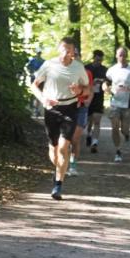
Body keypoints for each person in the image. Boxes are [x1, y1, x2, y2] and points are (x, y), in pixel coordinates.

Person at [30, 37, 89, 200]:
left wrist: (79, 90)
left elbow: (87, 90)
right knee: (54, 148)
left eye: (69, 49)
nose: (66, 52)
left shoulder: (78, 67)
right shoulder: (49, 65)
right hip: (51, 108)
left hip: (70, 108)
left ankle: (58, 185)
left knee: (64, 148)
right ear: (59, 49)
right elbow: (34, 85)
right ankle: (58, 170)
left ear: (73, 52)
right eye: (63, 48)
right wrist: (43, 100)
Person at [104, 46, 130, 163]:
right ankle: (118, 151)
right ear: (116, 56)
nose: (122, 57)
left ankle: (126, 134)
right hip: (115, 103)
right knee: (115, 127)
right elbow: (105, 83)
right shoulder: (111, 70)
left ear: (127, 56)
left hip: (128, 104)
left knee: (124, 130)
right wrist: (106, 88)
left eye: (124, 55)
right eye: (120, 55)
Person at [68, 49, 94, 176]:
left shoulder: (86, 72)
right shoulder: (64, 72)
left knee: (75, 138)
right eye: (71, 55)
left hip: (81, 108)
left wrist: (88, 100)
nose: (74, 57)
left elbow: (91, 89)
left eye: (76, 55)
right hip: (67, 108)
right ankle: (62, 163)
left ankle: (73, 165)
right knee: (65, 138)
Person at [84, 50, 109, 153]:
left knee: (97, 121)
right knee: (89, 121)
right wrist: (92, 82)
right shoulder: (86, 68)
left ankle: (95, 143)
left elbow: (108, 82)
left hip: (99, 97)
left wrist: (104, 83)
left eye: (101, 60)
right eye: (98, 59)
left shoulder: (104, 70)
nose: (99, 62)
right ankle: (89, 134)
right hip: (87, 97)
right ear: (94, 58)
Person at [26, 50, 46, 117]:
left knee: (40, 93)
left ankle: (37, 110)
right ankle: (32, 108)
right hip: (34, 78)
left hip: (40, 79)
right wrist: (31, 73)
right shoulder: (32, 60)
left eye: (40, 53)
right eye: (38, 53)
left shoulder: (43, 61)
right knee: (33, 93)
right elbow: (28, 68)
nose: (39, 54)